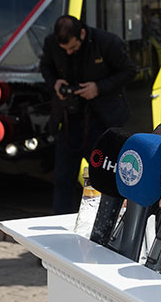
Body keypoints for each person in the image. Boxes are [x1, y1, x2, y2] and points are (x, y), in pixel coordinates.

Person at [39, 15, 137, 214]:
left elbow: (129, 71)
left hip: (102, 119)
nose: (69, 52)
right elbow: (45, 67)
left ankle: (108, 220)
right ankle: (60, 222)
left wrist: (98, 88)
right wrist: (55, 83)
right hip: (69, 118)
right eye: (65, 50)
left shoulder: (107, 42)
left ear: (82, 33)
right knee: (63, 178)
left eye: (73, 48)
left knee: (105, 175)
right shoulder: (51, 43)